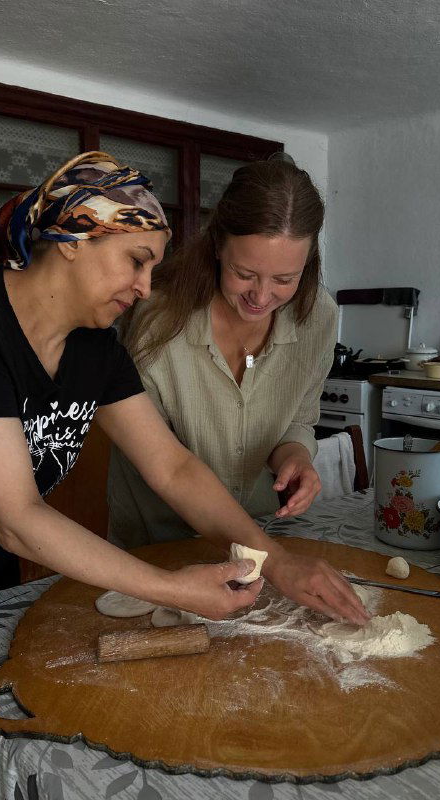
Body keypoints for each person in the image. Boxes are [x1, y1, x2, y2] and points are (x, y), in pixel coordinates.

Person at [0, 151, 368, 626]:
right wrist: (169, 588)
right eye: (137, 261)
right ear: (73, 239)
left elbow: (173, 467)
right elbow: (16, 517)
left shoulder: (94, 349)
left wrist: (275, 561)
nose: (146, 288)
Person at [109, 159, 336, 546]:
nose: (262, 297)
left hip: (262, 530)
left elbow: (299, 419)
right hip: (161, 540)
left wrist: (294, 457)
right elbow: (163, 461)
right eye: (245, 274)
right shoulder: (156, 317)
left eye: (285, 279)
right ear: (216, 244)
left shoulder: (317, 318)